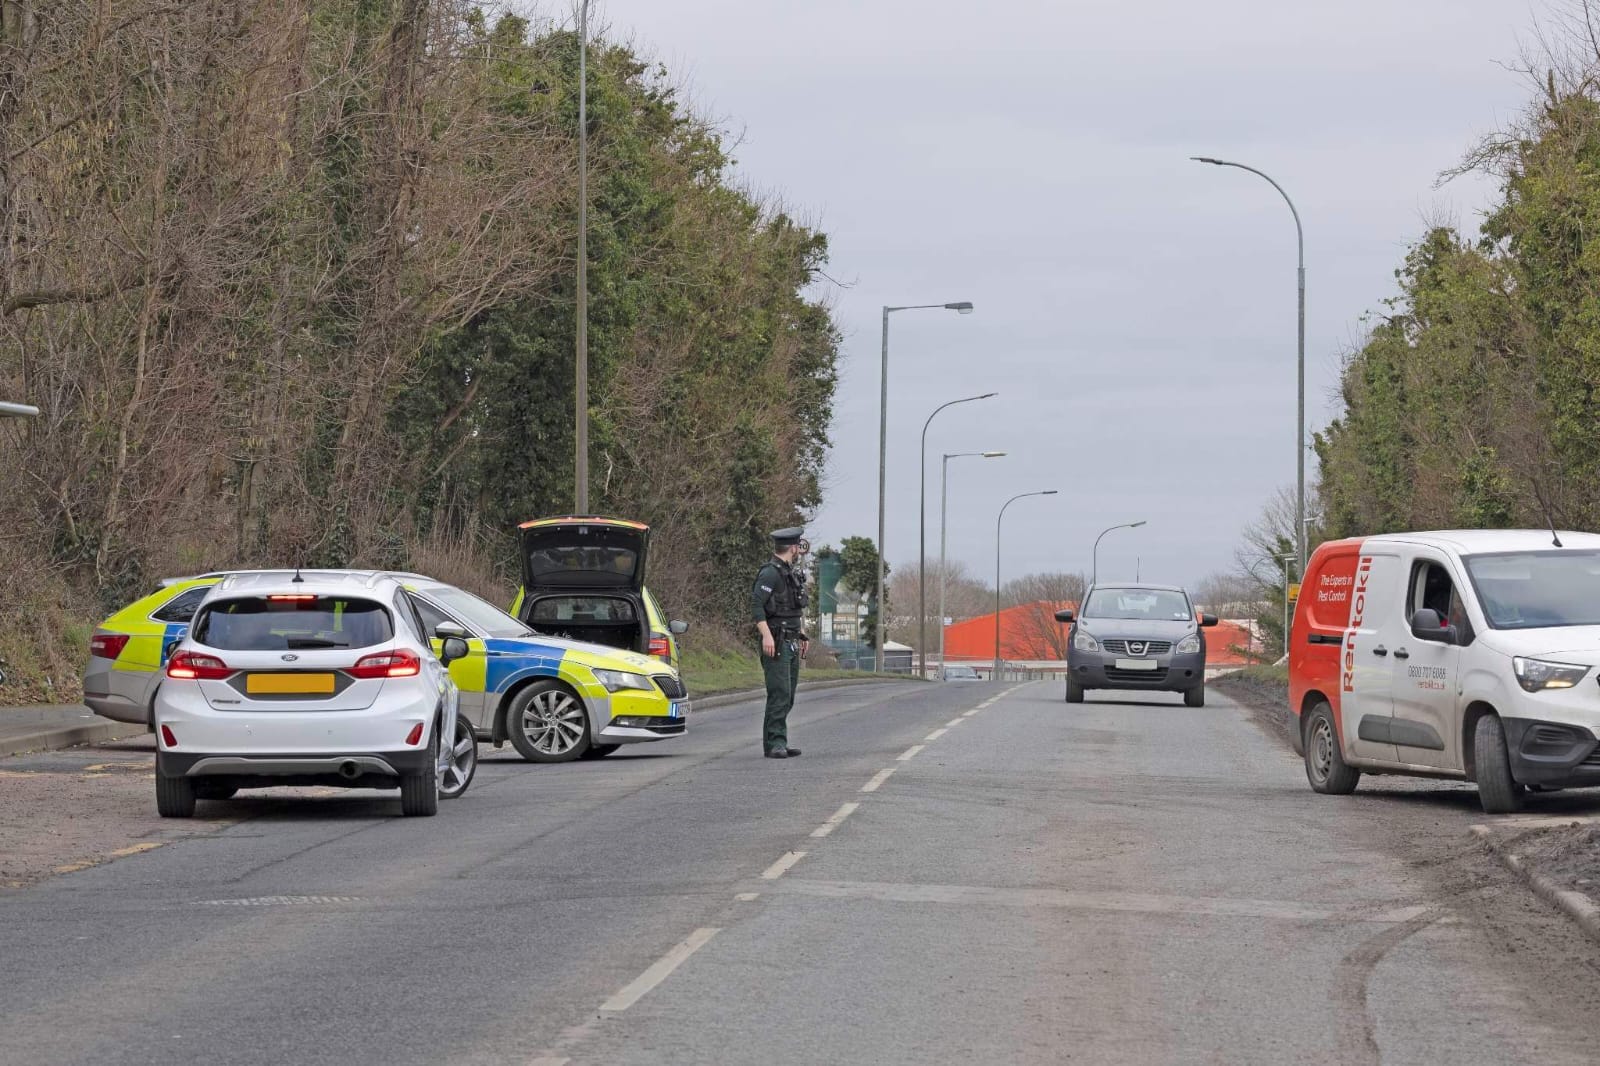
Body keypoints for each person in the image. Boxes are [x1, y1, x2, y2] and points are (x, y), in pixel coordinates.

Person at [752, 527, 810, 759]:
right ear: (793, 547)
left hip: (791, 640)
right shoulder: (770, 573)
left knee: (788, 694)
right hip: (776, 641)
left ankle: (778, 741)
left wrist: (802, 634)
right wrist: (766, 635)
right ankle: (774, 743)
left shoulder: (787, 572)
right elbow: (757, 604)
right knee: (779, 692)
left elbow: (792, 609)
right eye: (797, 546)